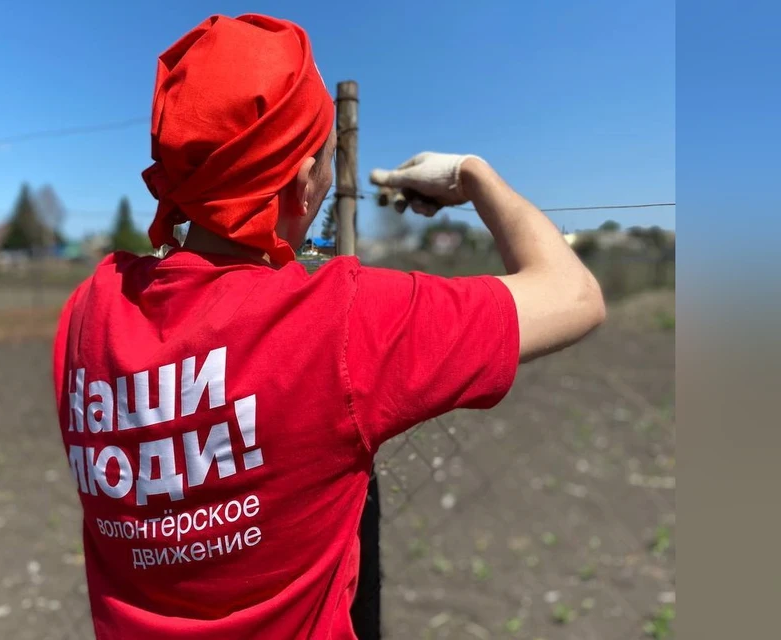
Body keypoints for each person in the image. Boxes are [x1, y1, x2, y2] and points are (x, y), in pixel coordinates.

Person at [52, 13, 605, 640]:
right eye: (326, 154)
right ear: (302, 181)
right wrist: (472, 176)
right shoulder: (338, 322)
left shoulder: (88, 311)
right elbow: (574, 294)